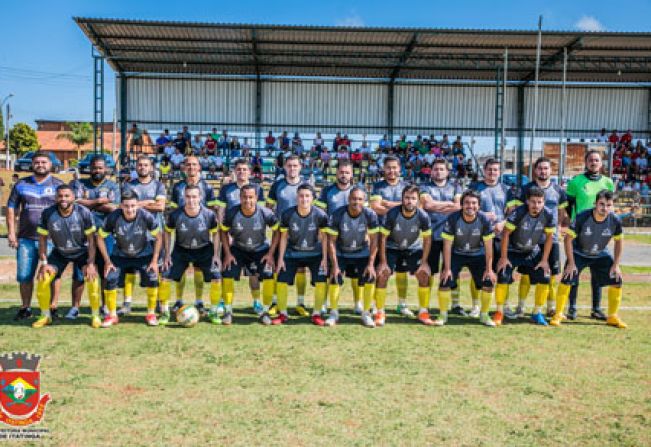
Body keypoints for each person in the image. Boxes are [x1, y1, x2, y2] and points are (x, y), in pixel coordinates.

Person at [551, 190, 626, 329]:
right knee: (567, 277)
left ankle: (612, 316)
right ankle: (558, 314)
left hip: (600, 254)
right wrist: (571, 263)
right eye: (602, 204)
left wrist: (616, 265)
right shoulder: (582, 217)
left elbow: (619, 242)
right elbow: (568, 239)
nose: (605, 208)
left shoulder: (615, 220)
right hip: (579, 253)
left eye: (609, 205)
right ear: (595, 204)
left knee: (617, 280)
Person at [7, 151, 64, 321]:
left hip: (52, 239)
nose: (40, 165)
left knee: (54, 275)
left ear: (50, 165)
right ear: (32, 165)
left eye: (44, 162)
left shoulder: (58, 185)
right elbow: (12, 208)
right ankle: (25, 308)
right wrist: (11, 232)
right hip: (26, 238)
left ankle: (53, 307)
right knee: (25, 275)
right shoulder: (21, 185)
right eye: (37, 162)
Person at [509, 157, 569, 318]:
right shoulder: (526, 189)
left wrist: (559, 227)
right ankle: (520, 306)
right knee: (527, 274)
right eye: (540, 168)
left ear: (551, 170)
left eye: (546, 168)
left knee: (551, 274)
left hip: (551, 238)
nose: (543, 171)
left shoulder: (558, 190)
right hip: (530, 238)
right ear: (535, 170)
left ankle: (550, 307)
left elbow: (561, 212)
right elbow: (516, 210)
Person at [32, 185, 99, 328]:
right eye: (60, 196)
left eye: (67, 196)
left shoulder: (84, 212)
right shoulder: (48, 213)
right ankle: (45, 316)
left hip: (82, 252)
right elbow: (42, 239)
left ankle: (95, 315)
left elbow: (92, 240)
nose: (63, 199)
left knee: (92, 279)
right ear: (56, 198)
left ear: (73, 197)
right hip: (60, 252)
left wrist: (91, 263)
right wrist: (44, 263)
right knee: (44, 279)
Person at [97, 190, 162, 327]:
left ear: (137, 205)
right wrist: (108, 261)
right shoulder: (113, 217)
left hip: (143, 254)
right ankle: (112, 315)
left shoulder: (146, 216)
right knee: (110, 278)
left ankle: (151, 313)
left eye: (133, 206)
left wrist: (155, 261)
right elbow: (99, 237)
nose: (130, 209)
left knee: (153, 277)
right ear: (121, 206)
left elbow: (159, 237)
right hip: (120, 254)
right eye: (126, 206)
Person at [159, 185, 222, 325]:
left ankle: (213, 312)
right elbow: (167, 232)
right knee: (165, 276)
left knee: (217, 277)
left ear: (200, 198)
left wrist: (216, 255)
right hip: (181, 250)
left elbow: (216, 234)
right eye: (188, 197)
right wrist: (167, 254)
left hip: (204, 250)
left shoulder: (209, 215)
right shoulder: (175, 215)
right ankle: (164, 312)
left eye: (194, 197)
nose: (191, 200)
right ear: (183, 197)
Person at [495, 186, 556, 326]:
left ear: (544, 202)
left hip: (531, 251)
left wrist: (545, 260)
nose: (536, 205)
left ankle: (537, 313)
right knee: (503, 275)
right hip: (513, 250)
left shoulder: (548, 214)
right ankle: (499, 312)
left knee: (545, 276)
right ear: (527, 201)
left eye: (540, 202)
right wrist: (503, 258)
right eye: (533, 202)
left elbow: (549, 237)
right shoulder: (518, 213)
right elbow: (505, 234)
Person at [69, 155, 120, 319]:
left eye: (100, 168)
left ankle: (104, 306)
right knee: (79, 272)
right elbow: (74, 203)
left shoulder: (113, 186)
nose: (97, 170)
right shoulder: (79, 184)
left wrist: (87, 202)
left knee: (106, 270)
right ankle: (75, 307)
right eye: (94, 168)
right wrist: (98, 201)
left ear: (105, 169)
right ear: (89, 169)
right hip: (82, 235)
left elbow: (114, 208)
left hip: (106, 235)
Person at [565, 150, 614, 320]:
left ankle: (596, 308)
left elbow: (609, 205)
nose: (593, 162)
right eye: (591, 160)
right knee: (573, 270)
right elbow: (568, 205)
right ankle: (572, 307)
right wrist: (572, 222)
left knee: (598, 271)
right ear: (586, 162)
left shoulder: (608, 182)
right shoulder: (576, 182)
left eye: (597, 160)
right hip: (580, 231)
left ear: (601, 163)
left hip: (599, 232)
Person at [436, 190, 496, 327]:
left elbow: (488, 246)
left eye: (474, 203)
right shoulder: (453, 218)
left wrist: (489, 269)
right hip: (456, 253)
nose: (470, 206)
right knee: (445, 280)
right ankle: (443, 315)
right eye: (467, 203)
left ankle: (484, 315)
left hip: (478, 254)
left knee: (488, 281)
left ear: (479, 206)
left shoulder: (484, 220)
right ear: (462, 205)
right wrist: (447, 268)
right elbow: (447, 245)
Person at [220, 185, 278, 325]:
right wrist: (227, 253)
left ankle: (264, 311)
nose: (248, 200)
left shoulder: (265, 213)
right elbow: (223, 232)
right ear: (240, 198)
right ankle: (228, 311)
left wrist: (270, 254)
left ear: (256, 198)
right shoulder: (232, 213)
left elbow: (277, 231)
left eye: (251, 197)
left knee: (269, 275)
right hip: (238, 249)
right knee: (227, 273)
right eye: (244, 197)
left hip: (260, 249)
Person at [375, 185, 432, 326]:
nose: (409, 201)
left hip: (413, 248)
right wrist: (382, 262)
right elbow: (382, 238)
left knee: (424, 275)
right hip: (392, 247)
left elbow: (427, 239)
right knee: (382, 274)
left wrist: (424, 262)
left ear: (418, 201)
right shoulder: (392, 214)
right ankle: (379, 312)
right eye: (407, 198)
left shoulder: (423, 216)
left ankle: (423, 312)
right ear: (402, 199)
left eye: (413, 198)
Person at [169, 156, 219, 313]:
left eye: (194, 164)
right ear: (183, 167)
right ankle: (179, 300)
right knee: (180, 271)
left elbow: (213, 212)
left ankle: (199, 301)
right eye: (188, 164)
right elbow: (174, 212)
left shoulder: (207, 187)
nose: (191, 167)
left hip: (202, 240)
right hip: (182, 238)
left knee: (199, 271)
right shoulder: (177, 187)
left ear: (199, 167)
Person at [215, 159, 266, 314]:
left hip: (252, 237)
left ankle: (257, 301)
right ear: (234, 172)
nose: (242, 172)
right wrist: (226, 233)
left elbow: (260, 213)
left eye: (244, 169)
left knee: (254, 273)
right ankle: (224, 301)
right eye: (239, 169)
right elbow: (220, 212)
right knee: (227, 269)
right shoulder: (226, 189)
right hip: (231, 237)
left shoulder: (257, 188)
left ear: (249, 172)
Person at [119, 156, 167, 315]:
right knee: (129, 269)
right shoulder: (128, 185)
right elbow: (124, 207)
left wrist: (137, 204)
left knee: (156, 268)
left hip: (154, 235)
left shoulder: (158, 185)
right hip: (132, 234)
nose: (142, 167)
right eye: (140, 165)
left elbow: (160, 206)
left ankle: (159, 302)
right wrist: (148, 203)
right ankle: (127, 302)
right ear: (136, 167)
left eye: (146, 165)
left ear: (151, 167)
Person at [275, 184, 329, 326]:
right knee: (281, 280)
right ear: (296, 197)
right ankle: (283, 314)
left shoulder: (320, 215)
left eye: (307, 196)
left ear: (312, 198)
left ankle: (316, 314)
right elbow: (283, 237)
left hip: (315, 254)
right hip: (292, 253)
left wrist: (324, 258)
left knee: (321, 280)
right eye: (301, 196)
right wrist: (280, 259)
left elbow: (324, 238)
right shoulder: (287, 214)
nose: (304, 199)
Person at [326, 187, 379, 327]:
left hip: (362, 252)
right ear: (349, 199)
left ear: (365, 201)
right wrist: (335, 266)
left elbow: (374, 240)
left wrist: (371, 264)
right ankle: (334, 313)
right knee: (335, 277)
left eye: (360, 199)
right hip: (341, 252)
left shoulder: (370, 215)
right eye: (354, 198)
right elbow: (331, 241)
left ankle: (366, 313)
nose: (357, 202)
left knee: (370, 277)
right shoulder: (338, 214)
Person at [369, 156, 413, 317]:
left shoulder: (406, 187)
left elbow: (414, 206)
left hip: (404, 236)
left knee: (403, 272)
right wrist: (401, 207)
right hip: (384, 237)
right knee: (382, 271)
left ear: (400, 169)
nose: (391, 171)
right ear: (384, 169)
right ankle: (377, 305)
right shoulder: (378, 186)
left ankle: (402, 304)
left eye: (394, 167)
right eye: (388, 168)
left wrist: (387, 203)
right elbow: (375, 207)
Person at [267, 155, 310, 316]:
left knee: (300, 269)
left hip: (302, 233)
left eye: (295, 166)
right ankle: (275, 302)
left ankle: (300, 303)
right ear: (285, 167)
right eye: (289, 165)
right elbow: (269, 207)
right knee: (277, 268)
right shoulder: (277, 185)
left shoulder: (306, 186)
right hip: (280, 233)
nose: (292, 168)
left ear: (300, 167)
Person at [419, 159, 463, 313]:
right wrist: (449, 205)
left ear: (447, 172)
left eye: (441, 169)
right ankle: (425, 306)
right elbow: (427, 205)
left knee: (452, 271)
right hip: (431, 235)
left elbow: (459, 206)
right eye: (436, 169)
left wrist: (439, 206)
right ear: (431, 171)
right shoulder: (424, 187)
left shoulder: (455, 187)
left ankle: (455, 304)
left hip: (451, 236)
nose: (438, 172)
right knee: (428, 271)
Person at [471, 158, 513, 317]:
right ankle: (476, 306)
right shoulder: (476, 187)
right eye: (489, 169)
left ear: (500, 172)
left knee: (503, 272)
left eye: (495, 170)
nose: (492, 172)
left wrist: (503, 223)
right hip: (480, 236)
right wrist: (482, 215)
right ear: (484, 170)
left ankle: (504, 306)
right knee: (479, 272)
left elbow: (513, 213)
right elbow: (467, 208)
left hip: (500, 236)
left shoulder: (506, 189)